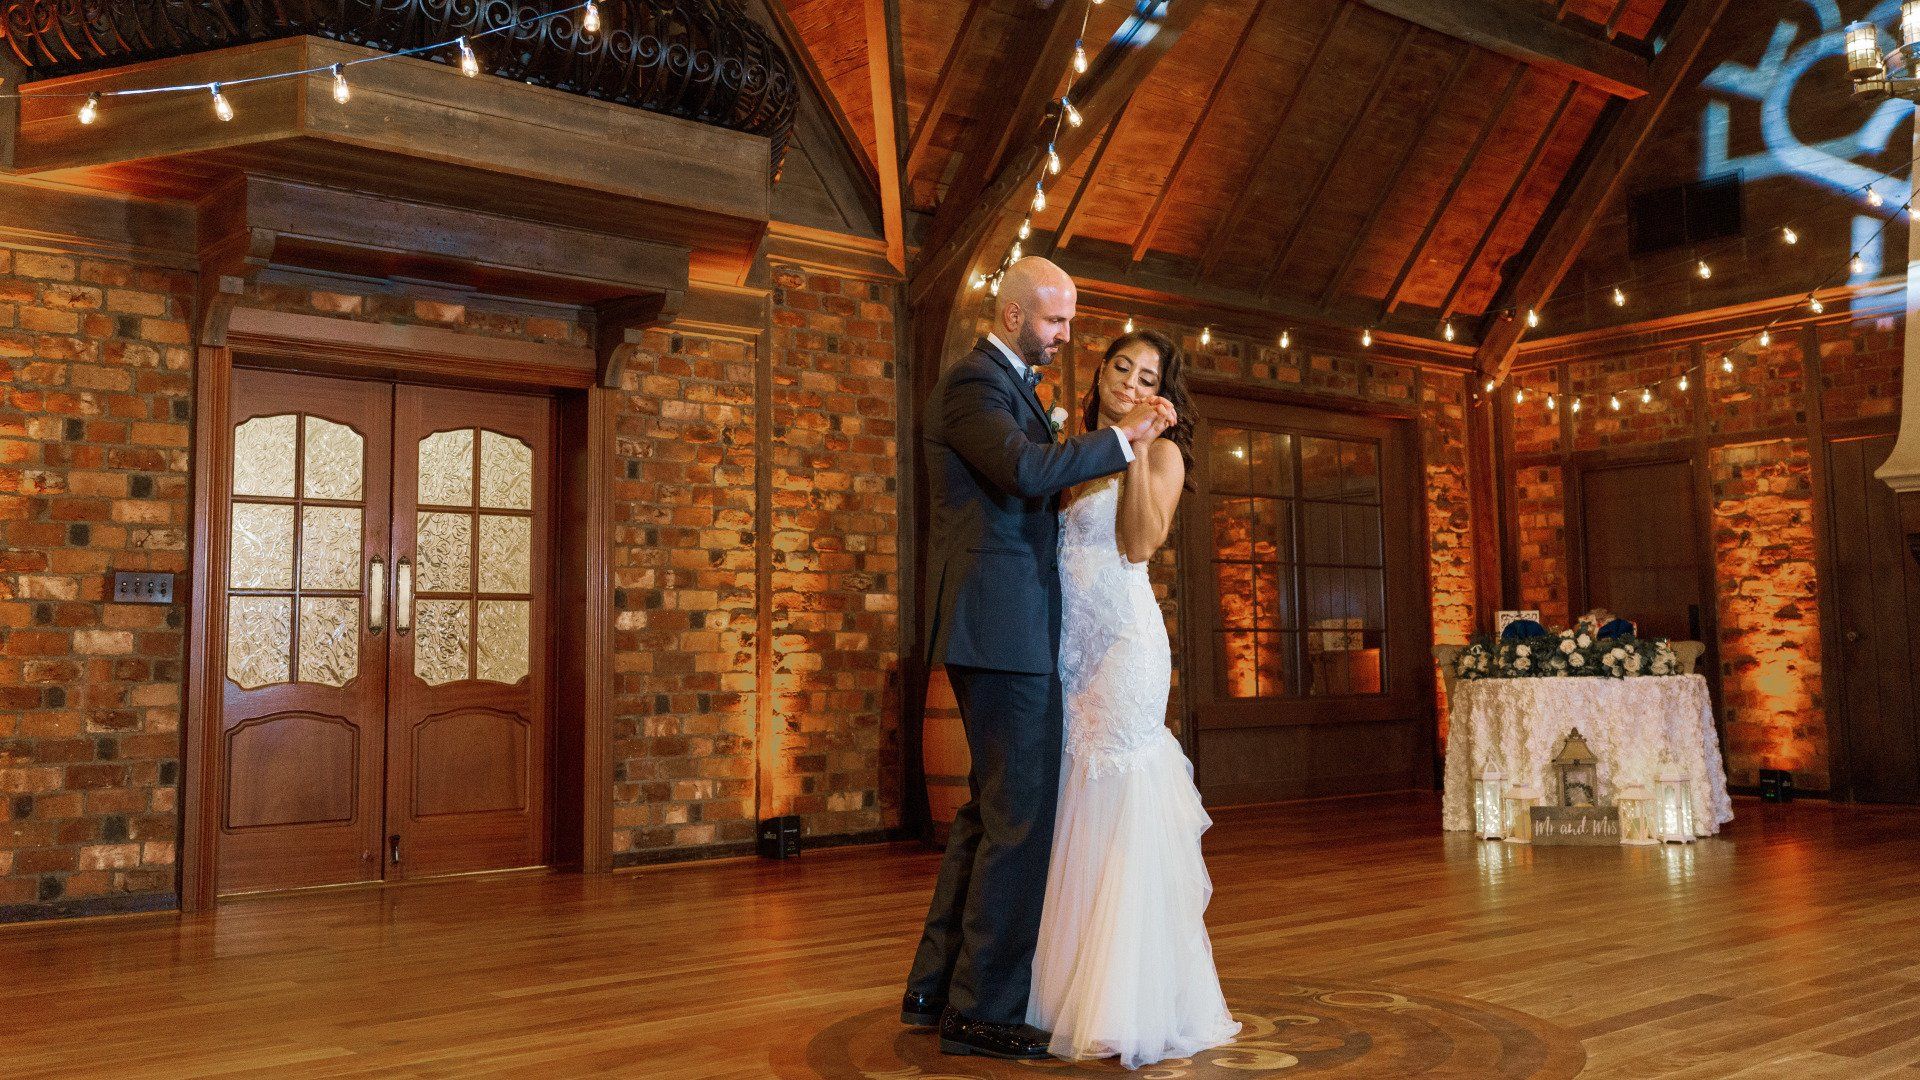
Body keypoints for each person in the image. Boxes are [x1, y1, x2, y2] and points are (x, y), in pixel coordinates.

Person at [903, 258, 1176, 1060]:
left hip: (1021, 628)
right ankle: (984, 1011)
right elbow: (1024, 471)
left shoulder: (1012, 388)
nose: (1066, 336)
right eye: (1057, 322)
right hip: (1002, 627)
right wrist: (1122, 438)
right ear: (1017, 316)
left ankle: (934, 990)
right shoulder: (972, 386)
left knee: (988, 814)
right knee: (1020, 822)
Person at [1027, 329, 1239, 1068]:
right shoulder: (1076, 444)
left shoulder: (1163, 454)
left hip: (1124, 648)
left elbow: (1141, 544)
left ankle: (1131, 999)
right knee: (1074, 800)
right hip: (1070, 647)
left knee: (1115, 796)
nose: (1131, 381)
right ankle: (1064, 989)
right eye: (1123, 366)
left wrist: (1143, 445)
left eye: (1149, 376)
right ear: (1102, 371)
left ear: (1163, 393)